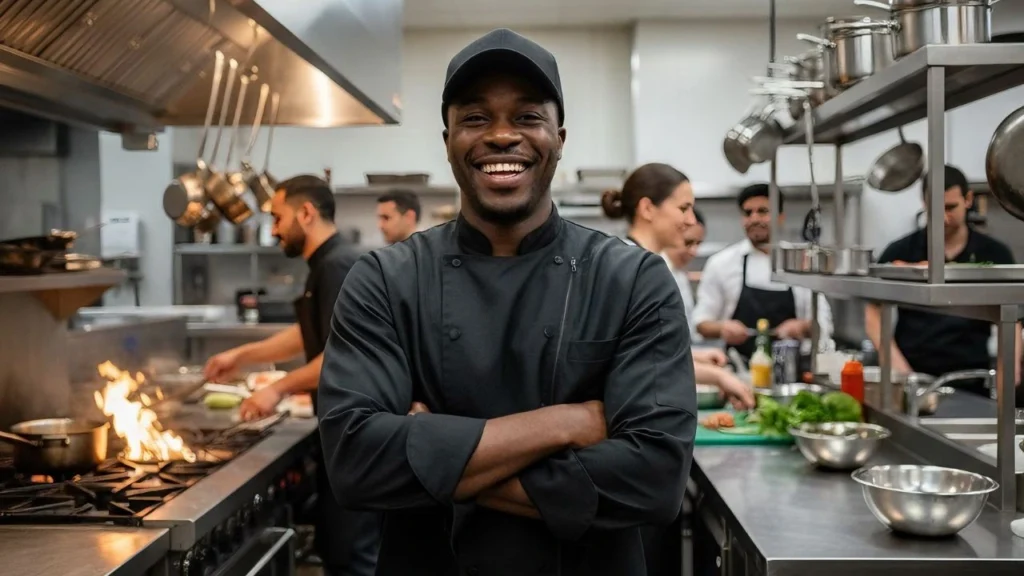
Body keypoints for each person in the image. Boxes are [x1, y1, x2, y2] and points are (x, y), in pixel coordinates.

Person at [317, 28, 696, 576]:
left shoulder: (632, 278)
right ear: (446, 138)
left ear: (559, 137)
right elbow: (355, 464)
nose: (501, 136)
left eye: (526, 117)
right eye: (475, 118)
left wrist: (432, 452)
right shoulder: (385, 279)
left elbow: (656, 480)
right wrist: (565, 423)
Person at [204, 175, 381, 576]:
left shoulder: (337, 265)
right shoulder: (327, 264)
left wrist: (277, 390)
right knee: (341, 551)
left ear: (306, 213)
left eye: (277, 217)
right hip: (346, 439)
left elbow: (344, 355)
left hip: (358, 441)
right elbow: (310, 332)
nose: (274, 229)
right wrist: (242, 356)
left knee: (352, 559)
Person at [601, 163, 754, 410]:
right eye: (684, 208)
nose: (690, 220)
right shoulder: (628, 268)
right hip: (630, 411)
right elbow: (639, 361)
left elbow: (647, 348)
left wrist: (693, 357)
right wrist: (719, 377)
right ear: (648, 209)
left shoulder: (645, 263)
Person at [866, 165, 1022, 395]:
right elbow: (873, 314)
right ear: (924, 203)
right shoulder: (901, 252)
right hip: (912, 375)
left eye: (951, 207)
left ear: (968, 200)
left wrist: (1008, 370)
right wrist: (899, 369)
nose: (944, 218)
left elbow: (1012, 320)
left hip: (970, 379)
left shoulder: (994, 254)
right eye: (935, 209)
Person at [693, 183, 833, 359]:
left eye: (763, 211)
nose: (754, 219)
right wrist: (722, 328)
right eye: (748, 213)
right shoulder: (721, 264)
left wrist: (802, 326)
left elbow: (824, 322)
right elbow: (700, 323)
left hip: (792, 370)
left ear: (780, 217)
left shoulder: (800, 262)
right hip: (738, 369)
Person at [664, 207, 706, 339]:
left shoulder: (680, 276)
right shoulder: (656, 273)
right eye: (688, 243)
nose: (694, 251)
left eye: (698, 244)